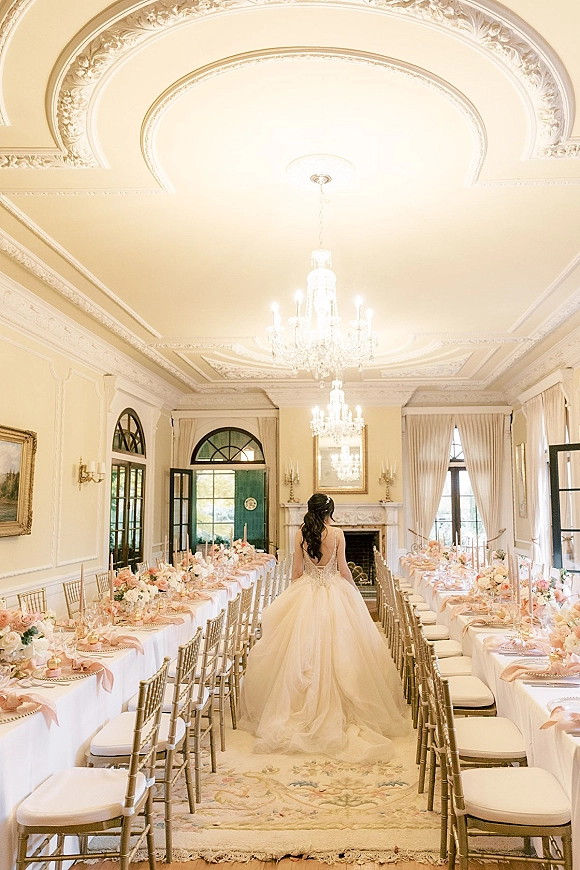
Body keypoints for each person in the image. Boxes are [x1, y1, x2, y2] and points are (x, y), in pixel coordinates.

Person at [238, 492, 408, 762]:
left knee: (300, 653)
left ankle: (297, 709)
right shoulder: (338, 533)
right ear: (330, 510)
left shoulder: (300, 533)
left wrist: (293, 601)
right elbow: (343, 570)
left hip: (308, 590)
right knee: (346, 652)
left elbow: (296, 572)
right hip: (334, 591)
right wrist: (354, 594)